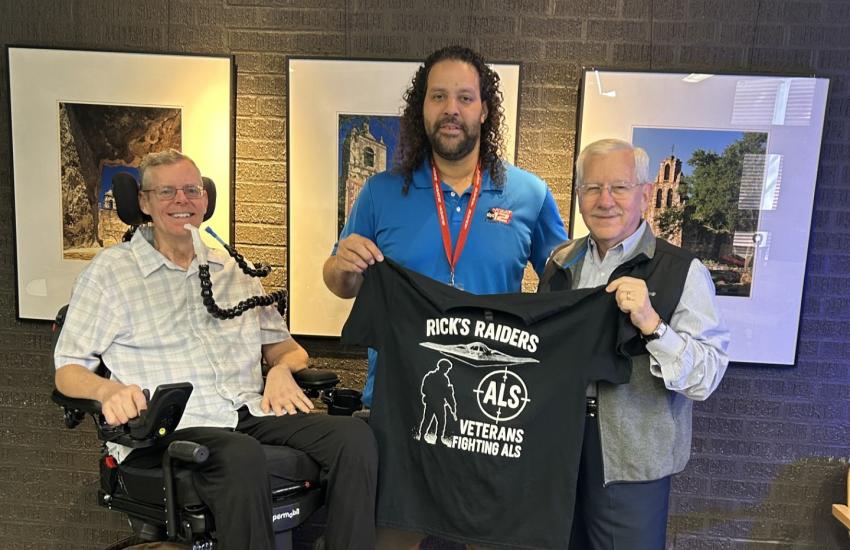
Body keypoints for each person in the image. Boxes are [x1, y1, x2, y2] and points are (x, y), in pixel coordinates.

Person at [54, 150, 377, 550]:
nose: (182, 200)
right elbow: (67, 370)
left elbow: (290, 350)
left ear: (205, 199)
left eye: (191, 190)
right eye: (167, 191)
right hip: (169, 428)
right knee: (241, 456)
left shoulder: (231, 269)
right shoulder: (110, 273)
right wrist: (107, 392)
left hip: (244, 411)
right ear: (143, 201)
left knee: (355, 437)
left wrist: (278, 371)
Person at [323, 45, 566, 548]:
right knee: (392, 540)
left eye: (464, 96)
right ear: (423, 109)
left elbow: (564, 284)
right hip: (397, 399)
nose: (451, 108)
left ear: (484, 110)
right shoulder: (381, 192)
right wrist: (343, 266)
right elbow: (339, 281)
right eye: (438, 96)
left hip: (495, 409)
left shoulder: (529, 194)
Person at [538, 138, 730, 550]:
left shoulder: (682, 271)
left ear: (644, 194)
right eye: (592, 188)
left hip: (634, 459)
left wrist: (653, 325)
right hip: (557, 448)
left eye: (620, 187)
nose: (605, 200)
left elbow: (707, 377)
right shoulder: (559, 263)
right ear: (578, 195)